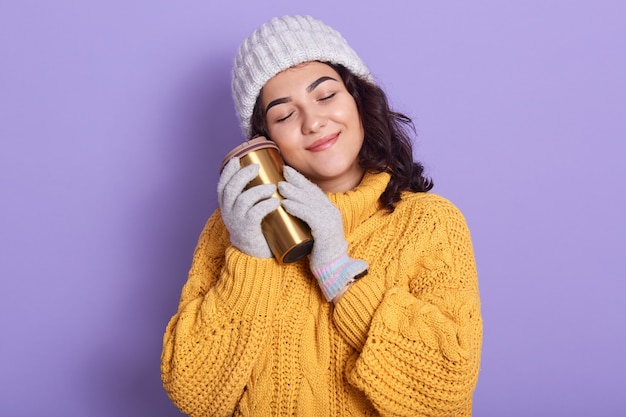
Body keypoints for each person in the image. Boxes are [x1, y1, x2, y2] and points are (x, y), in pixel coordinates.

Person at [161, 15, 482, 417]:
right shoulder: (236, 227)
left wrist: (336, 267)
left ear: (358, 99)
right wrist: (249, 257)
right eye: (283, 115)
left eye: (326, 95)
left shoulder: (430, 223)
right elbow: (196, 394)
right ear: (266, 141)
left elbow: (444, 395)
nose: (313, 122)